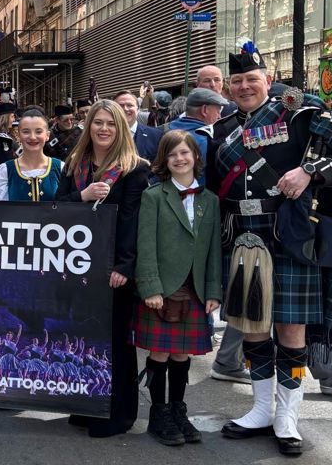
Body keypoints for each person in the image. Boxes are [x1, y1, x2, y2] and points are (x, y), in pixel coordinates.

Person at [210, 40, 332, 456]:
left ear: (268, 80)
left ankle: (287, 414)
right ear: (228, 87)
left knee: (291, 329)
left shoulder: (301, 114)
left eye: (251, 79)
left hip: (289, 234)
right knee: (254, 325)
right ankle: (260, 408)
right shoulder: (222, 130)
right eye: (236, 81)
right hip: (241, 235)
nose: (243, 87)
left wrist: (309, 172)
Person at [56, 99, 149, 438]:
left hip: (113, 269)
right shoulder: (73, 165)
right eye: (98, 122)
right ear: (88, 126)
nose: (104, 129)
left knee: (116, 342)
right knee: (85, 339)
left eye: (111, 123)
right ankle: (86, 405)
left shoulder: (134, 168)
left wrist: (125, 265)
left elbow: (133, 220)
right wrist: (82, 197)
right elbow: (55, 209)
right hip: (79, 268)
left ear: (121, 127)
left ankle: (118, 414)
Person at [134, 130, 222, 446]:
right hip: (162, 288)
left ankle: (178, 410)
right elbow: (145, 247)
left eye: (185, 153)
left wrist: (213, 290)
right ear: (164, 161)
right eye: (172, 155)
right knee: (159, 351)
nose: (180, 159)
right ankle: (159, 413)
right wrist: (150, 287)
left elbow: (213, 249)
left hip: (194, 289)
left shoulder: (210, 201)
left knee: (182, 353)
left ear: (195, 158)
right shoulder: (154, 196)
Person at [0, 108, 62, 202]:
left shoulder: (60, 168)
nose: (32, 137)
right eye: (26, 132)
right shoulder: (5, 171)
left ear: (47, 135)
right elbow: (1, 211)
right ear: (18, 135)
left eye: (38, 131)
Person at [165, 88, 228, 176]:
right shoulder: (207, 140)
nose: (219, 116)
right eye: (217, 111)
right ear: (204, 110)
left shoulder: (164, 131)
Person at [114, 90, 162, 162]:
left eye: (130, 105)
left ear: (138, 109)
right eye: (120, 106)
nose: (125, 109)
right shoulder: (104, 136)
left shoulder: (156, 136)